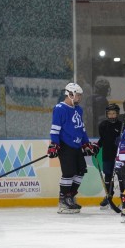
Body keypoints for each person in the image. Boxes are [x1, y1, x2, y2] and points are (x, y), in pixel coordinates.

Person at [47, 83, 99, 214]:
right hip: (65, 145)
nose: (80, 98)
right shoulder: (59, 108)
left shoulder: (78, 109)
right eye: (78, 95)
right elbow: (55, 129)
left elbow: (81, 128)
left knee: (81, 171)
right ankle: (63, 200)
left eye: (80, 95)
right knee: (68, 173)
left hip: (77, 145)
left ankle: (70, 195)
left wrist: (86, 143)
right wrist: (54, 144)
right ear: (70, 94)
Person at [97, 103, 122, 210]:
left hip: (120, 156)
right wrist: (96, 147)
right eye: (109, 113)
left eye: (114, 113)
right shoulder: (103, 125)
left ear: (117, 114)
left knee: (122, 177)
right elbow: (102, 139)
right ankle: (108, 196)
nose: (111, 115)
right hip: (107, 155)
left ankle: (124, 198)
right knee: (108, 176)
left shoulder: (122, 125)